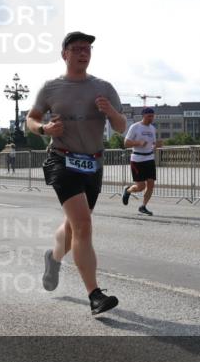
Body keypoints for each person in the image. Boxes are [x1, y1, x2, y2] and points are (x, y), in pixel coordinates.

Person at [26, 31, 126, 316]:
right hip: (62, 160)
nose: (84, 53)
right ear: (64, 54)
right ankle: (94, 295)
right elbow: (31, 119)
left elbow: (121, 127)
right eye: (78, 48)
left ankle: (54, 257)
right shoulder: (51, 88)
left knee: (74, 225)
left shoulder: (104, 87)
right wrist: (44, 129)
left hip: (92, 163)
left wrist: (110, 112)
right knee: (83, 225)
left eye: (88, 49)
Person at [121, 107, 162, 214]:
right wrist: (138, 143)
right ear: (143, 116)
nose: (151, 118)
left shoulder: (152, 128)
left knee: (151, 184)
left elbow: (152, 145)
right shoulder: (135, 127)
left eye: (152, 116)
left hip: (149, 158)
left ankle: (143, 206)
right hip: (137, 159)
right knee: (141, 186)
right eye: (149, 116)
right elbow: (126, 143)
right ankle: (128, 190)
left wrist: (156, 145)